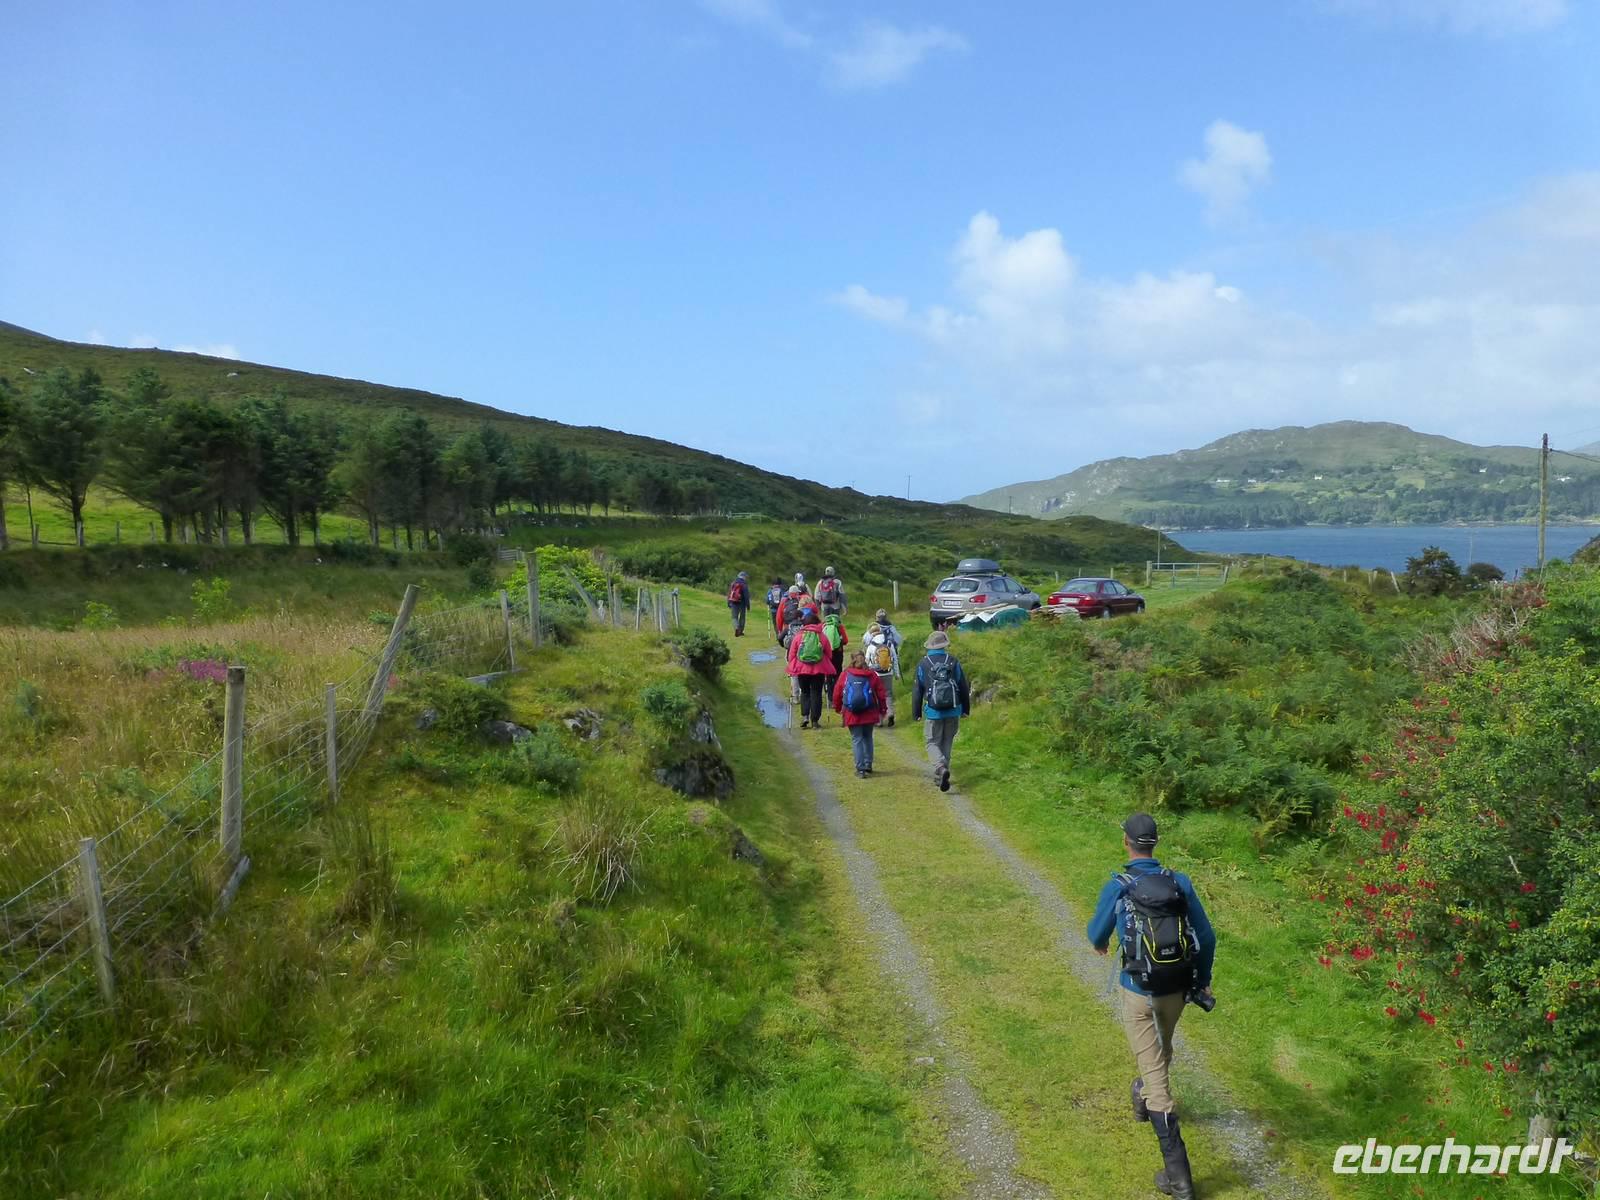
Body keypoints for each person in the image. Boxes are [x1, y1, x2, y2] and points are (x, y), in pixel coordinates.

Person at [1086, 813, 1216, 1200]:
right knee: (1162, 1051)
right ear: (1155, 843)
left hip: (1137, 990)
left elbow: (1096, 932)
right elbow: (1206, 937)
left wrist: (1100, 943)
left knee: (1158, 1077)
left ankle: (1179, 1179)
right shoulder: (1180, 882)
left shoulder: (1120, 885)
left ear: (1126, 842)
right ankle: (1142, 1091)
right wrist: (1202, 979)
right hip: (1176, 990)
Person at [911, 629, 970, 792]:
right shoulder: (953, 661)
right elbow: (963, 686)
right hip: (953, 710)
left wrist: (916, 712)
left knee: (931, 742)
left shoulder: (924, 663)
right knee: (947, 741)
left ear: (929, 646)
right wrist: (966, 709)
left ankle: (940, 768)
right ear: (944, 645)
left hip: (933, 711)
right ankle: (941, 774)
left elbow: (917, 690)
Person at [833, 651, 887, 778]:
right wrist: (883, 710)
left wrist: (838, 708)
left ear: (851, 660)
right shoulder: (872, 675)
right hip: (869, 711)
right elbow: (881, 694)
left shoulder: (846, 674)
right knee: (868, 738)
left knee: (857, 739)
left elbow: (837, 692)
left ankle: (860, 769)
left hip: (852, 713)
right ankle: (868, 764)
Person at [785, 606, 834, 729]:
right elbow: (829, 653)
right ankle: (815, 721)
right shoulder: (822, 636)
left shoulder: (799, 636)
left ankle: (805, 716)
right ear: (817, 623)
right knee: (816, 693)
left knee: (805, 692)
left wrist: (792, 667)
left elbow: (792, 654)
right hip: (818, 669)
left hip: (802, 669)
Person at [862, 609, 903, 726]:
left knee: (875, 695)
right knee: (888, 694)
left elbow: (866, 660)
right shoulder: (889, 643)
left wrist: (867, 672)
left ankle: (879, 720)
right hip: (888, 672)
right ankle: (890, 712)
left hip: (875, 674)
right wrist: (897, 674)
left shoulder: (871, 644)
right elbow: (894, 659)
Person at [821, 609, 849, 681]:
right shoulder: (839, 626)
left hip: (827, 652)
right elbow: (845, 641)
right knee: (838, 670)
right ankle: (837, 686)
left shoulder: (823, 626)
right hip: (838, 651)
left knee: (828, 671)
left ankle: (829, 688)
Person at [727, 571, 751, 638]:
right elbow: (746, 596)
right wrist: (748, 605)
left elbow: (729, 593)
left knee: (734, 617)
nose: (746, 578)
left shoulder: (733, 583)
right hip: (742, 603)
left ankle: (736, 628)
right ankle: (740, 631)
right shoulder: (744, 584)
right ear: (743, 577)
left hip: (733, 602)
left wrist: (728, 602)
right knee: (742, 617)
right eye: (745, 577)